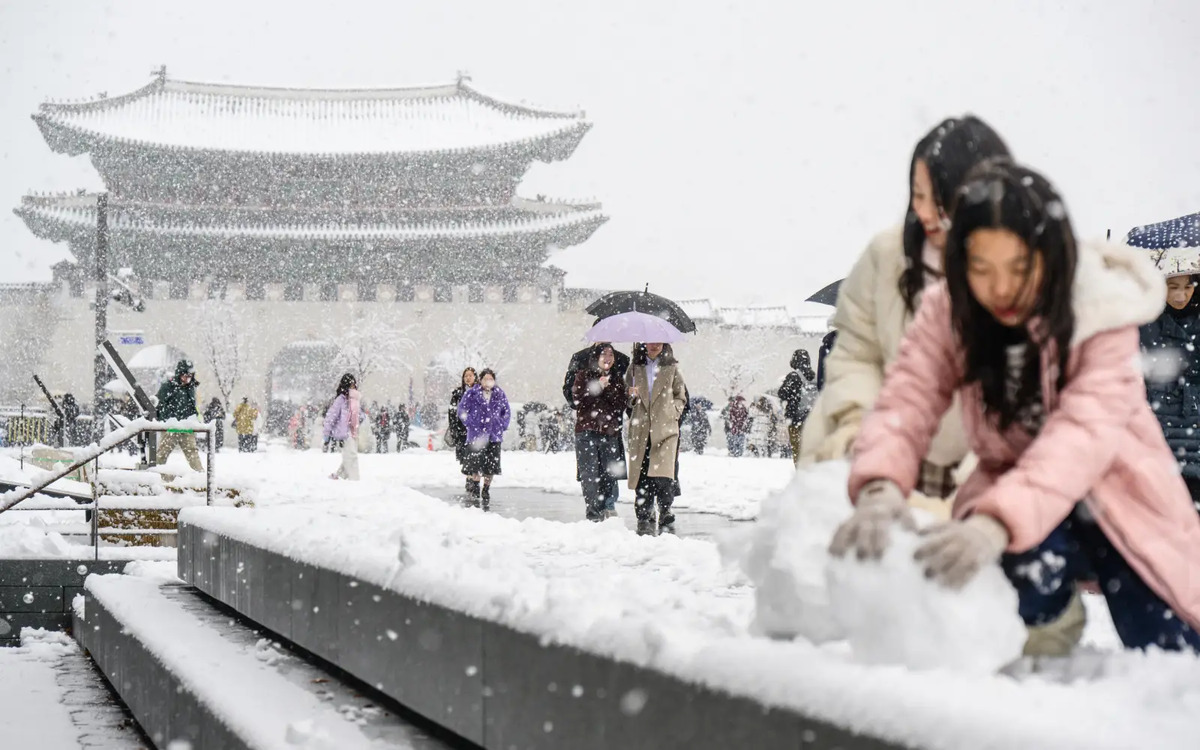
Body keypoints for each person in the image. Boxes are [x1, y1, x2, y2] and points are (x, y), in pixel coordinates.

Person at [831, 159, 1200, 655]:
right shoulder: (951, 309)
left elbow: (1080, 438)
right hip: (1022, 497)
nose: (1000, 288)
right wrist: (878, 484)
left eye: (1018, 268)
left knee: (1168, 645)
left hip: (1122, 490)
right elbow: (907, 400)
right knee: (1020, 588)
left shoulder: (1099, 309)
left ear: (1050, 258)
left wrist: (995, 523)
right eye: (982, 268)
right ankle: (1049, 622)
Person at [801, 115, 1012, 506]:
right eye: (919, 195)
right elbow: (855, 356)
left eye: (944, 197)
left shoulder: (1022, 268)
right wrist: (858, 434)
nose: (928, 213)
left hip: (987, 482)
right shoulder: (887, 257)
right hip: (881, 458)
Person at [1139, 273, 1200, 502]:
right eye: (1172, 286)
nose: (1180, 295)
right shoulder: (1143, 324)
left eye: (1188, 287)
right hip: (1158, 431)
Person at [626, 342, 688, 534]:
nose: (654, 345)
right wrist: (631, 395)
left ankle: (665, 509)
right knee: (643, 473)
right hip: (641, 428)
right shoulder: (635, 368)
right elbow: (627, 397)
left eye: (658, 341)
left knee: (664, 475)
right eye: (650, 341)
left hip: (666, 428)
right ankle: (643, 513)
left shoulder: (672, 368)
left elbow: (681, 396)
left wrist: (673, 411)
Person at [572, 344, 629, 521]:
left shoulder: (617, 379)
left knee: (608, 474)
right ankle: (593, 514)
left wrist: (628, 396)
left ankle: (607, 508)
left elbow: (619, 406)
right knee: (590, 475)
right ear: (596, 357)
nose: (608, 358)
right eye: (603, 354)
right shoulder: (583, 375)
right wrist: (597, 387)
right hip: (586, 432)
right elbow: (577, 401)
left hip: (609, 432)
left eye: (611, 354)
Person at [457, 368, 511, 508]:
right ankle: (475, 486)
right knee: (475, 465)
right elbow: (462, 409)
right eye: (485, 379)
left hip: (494, 435)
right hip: (476, 435)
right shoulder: (472, 393)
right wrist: (469, 422)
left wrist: (502, 424)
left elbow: (506, 411)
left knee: (490, 466)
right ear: (480, 380)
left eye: (490, 379)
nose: (488, 381)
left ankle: (486, 489)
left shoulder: (499, 394)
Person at [154, 360, 203, 473]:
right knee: (162, 453)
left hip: (186, 426)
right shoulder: (168, 387)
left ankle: (200, 476)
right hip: (171, 426)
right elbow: (160, 404)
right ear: (179, 374)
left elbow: (191, 406)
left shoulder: (190, 388)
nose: (187, 379)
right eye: (185, 376)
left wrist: (193, 419)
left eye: (190, 376)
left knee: (192, 452)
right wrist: (169, 418)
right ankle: (154, 475)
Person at [778, 349, 817, 464]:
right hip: (812, 420)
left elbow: (782, 394)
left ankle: (801, 475)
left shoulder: (794, 376)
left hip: (796, 420)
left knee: (797, 449)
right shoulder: (814, 376)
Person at [322, 373, 362, 480]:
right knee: (352, 456)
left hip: (353, 432)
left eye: (354, 384)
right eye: (351, 384)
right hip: (344, 433)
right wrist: (326, 434)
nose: (353, 386)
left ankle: (338, 476)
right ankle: (355, 479)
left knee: (348, 456)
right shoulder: (341, 399)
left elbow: (357, 414)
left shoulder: (354, 400)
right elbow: (331, 417)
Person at [448, 368, 477, 495]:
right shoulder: (458, 393)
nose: (468, 378)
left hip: (475, 430)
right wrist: (454, 428)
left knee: (474, 455)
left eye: (470, 375)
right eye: (466, 376)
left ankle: (471, 478)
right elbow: (452, 412)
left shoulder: (479, 392)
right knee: (465, 456)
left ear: (475, 377)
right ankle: (469, 477)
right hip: (461, 430)